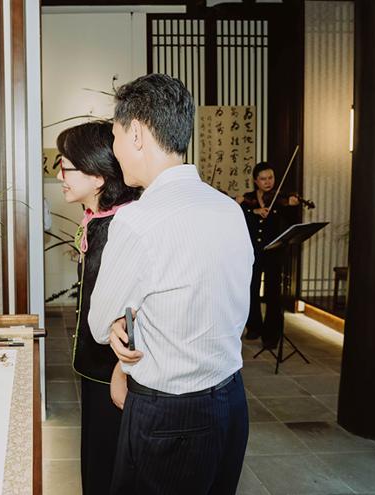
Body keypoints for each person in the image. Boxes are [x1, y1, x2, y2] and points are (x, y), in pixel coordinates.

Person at [88, 73, 253, 494]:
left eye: (115, 136)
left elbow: (99, 323)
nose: (115, 150)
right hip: (232, 401)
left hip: (169, 418)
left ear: (136, 133)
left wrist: (119, 326)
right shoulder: (229, 209)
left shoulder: (137, 221)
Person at [55, 121, 142, 495]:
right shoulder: (97, 220)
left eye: (66, 167)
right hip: (95, 366)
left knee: (109, 468)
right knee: (95, 461)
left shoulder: (122, 227)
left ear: (97, 176)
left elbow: (135, 307)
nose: (59, 176)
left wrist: (122, 369)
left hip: (114, 371)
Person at [235, 163, 300, 349]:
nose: (268, 182)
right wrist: (252, 211)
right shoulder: (248, 199)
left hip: (274, 252)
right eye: (263, 179)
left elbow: (292, 223)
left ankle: (271, 334)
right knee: (251, 289)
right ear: (256, 181)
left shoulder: (281, 200)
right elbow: (239, 218)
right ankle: (254, 326)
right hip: (253, 252)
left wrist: (292, 207)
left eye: (270, 178)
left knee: (273, 293)